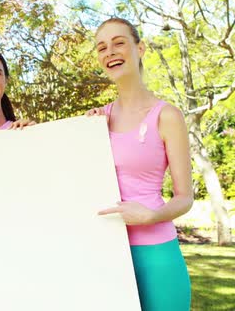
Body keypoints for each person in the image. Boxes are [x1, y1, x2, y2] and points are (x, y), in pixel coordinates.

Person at [87, 18, 193, 310]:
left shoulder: (166, 116)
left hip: (156, 254)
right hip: (106, 251)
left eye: (119, 42)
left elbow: (185, 197)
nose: (110, 52)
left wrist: (149, 216)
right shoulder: (96, 121)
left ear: (140, 48)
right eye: (102, 47)